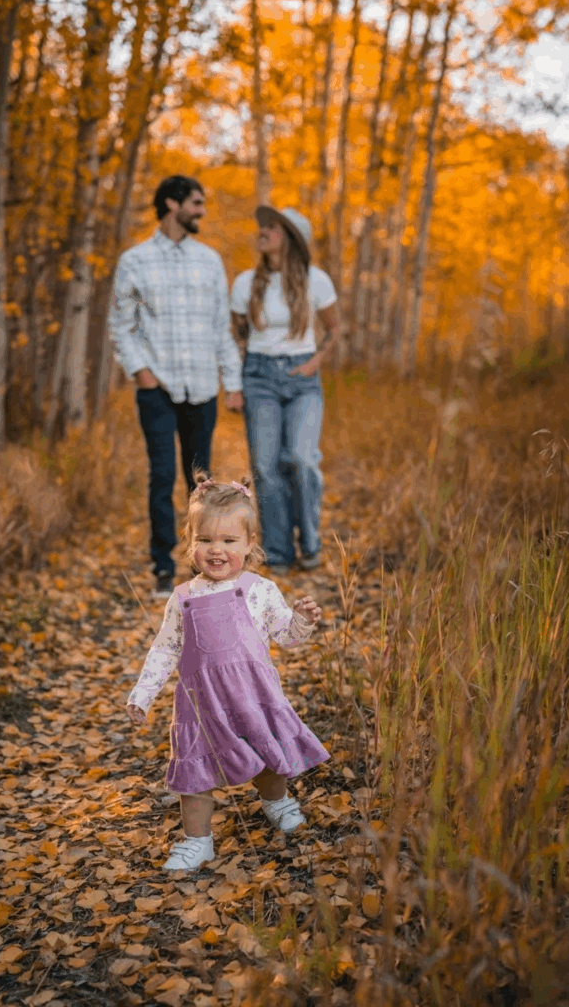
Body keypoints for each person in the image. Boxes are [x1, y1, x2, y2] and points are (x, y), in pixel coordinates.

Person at [125, 473, 329, 872]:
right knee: (195, 772)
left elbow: (286, 636)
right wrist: (142, 695)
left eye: (229, 541)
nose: (216, 550)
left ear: (251, 544)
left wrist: (302, 621)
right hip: (201, 706)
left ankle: (275, 799)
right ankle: (197, 841)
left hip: (253, 697)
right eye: (205, 540)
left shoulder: (260, 589)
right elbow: (164, 650)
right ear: (191, 542)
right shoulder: (182, 598)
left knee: (269, 755)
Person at [109, 175, 244, 598]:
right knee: (162, 474)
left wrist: (232, 383)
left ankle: (200, 566)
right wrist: (141, 373)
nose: (202, 211)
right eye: (196, 203)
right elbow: (121, 325)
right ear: (172, 204)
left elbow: (221, 329)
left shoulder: (209, 261)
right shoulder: (135, 260)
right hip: (157, 387)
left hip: (202, 387)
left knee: (199, 483)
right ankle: (162, 567)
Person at [230, 207, 341, 575]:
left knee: (301, 457)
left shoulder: (316, 280)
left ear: (291, 239)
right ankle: (278, 551)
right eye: (263, 225)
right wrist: (237, 381)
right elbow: (238, 333)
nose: (263, 231)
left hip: (302, 377)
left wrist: (314, 363)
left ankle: (310, 542)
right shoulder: (245, 282)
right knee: (265, 466)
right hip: (259, 376)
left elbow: (335, 329)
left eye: (273, 227)